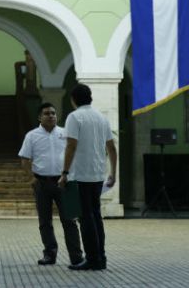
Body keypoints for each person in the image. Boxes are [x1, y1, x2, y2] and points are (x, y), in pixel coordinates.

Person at [59, 83, 117, 271]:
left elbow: (71, 146)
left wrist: (65, 172)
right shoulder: (101, 118)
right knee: (96, 216)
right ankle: (101, 257)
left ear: (73, 99)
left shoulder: (75, 117)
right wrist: (113, 173)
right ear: (90, 97)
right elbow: (111, 148)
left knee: (85, 218)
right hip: (97, 175)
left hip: (80, 175)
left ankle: (92, 259)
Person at [18, 102, 83, 266]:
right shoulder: (31, 136)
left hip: (65, 182)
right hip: (42, 183)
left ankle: (76, 256)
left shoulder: (65, 133)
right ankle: (49, 254)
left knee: (70, 221)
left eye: (53, 113)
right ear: (39, 117)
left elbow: (75, 154)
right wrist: (31, 179)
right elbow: (24, 159)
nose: (51, 116)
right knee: (45, 222)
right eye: (47, 113)